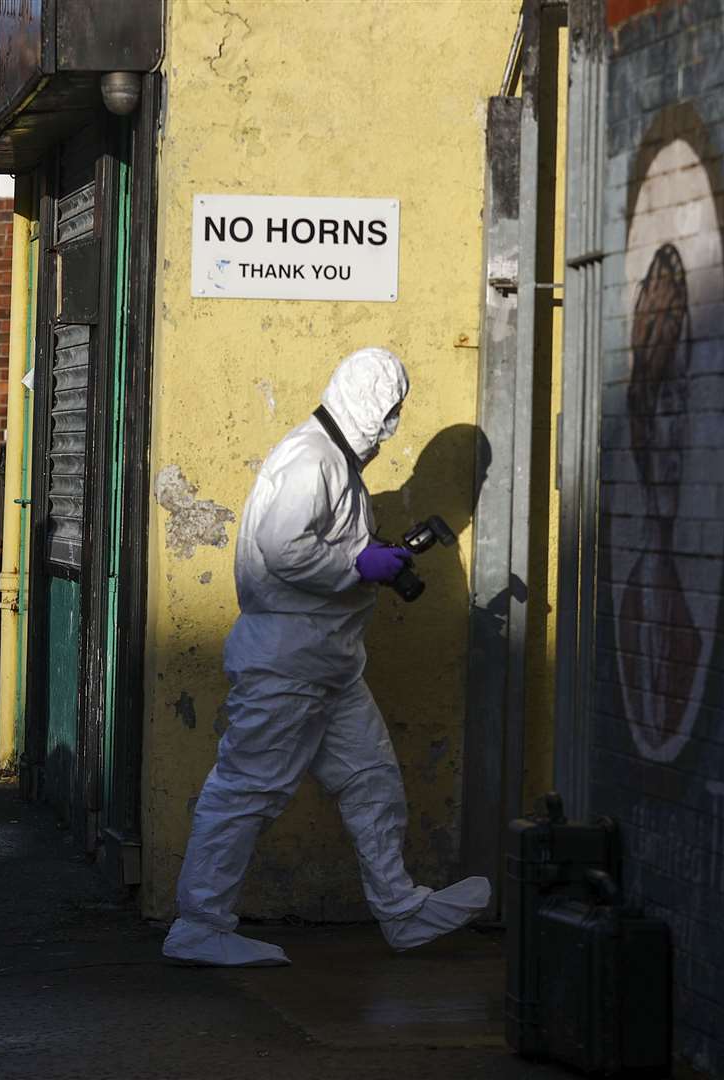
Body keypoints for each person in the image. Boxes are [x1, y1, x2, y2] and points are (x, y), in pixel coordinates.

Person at [163, 347, 491, 967]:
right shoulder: (311, 457)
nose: (391, 427)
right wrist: (359, 563)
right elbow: (284, 549)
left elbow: (317, 550)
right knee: (247, 788)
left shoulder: (334, 464)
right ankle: (199, 924)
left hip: (328, 661)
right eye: (389, 411)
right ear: (365, 401)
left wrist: (374, 561)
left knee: (371, 779)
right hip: (289, 662)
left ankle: (401, 909)